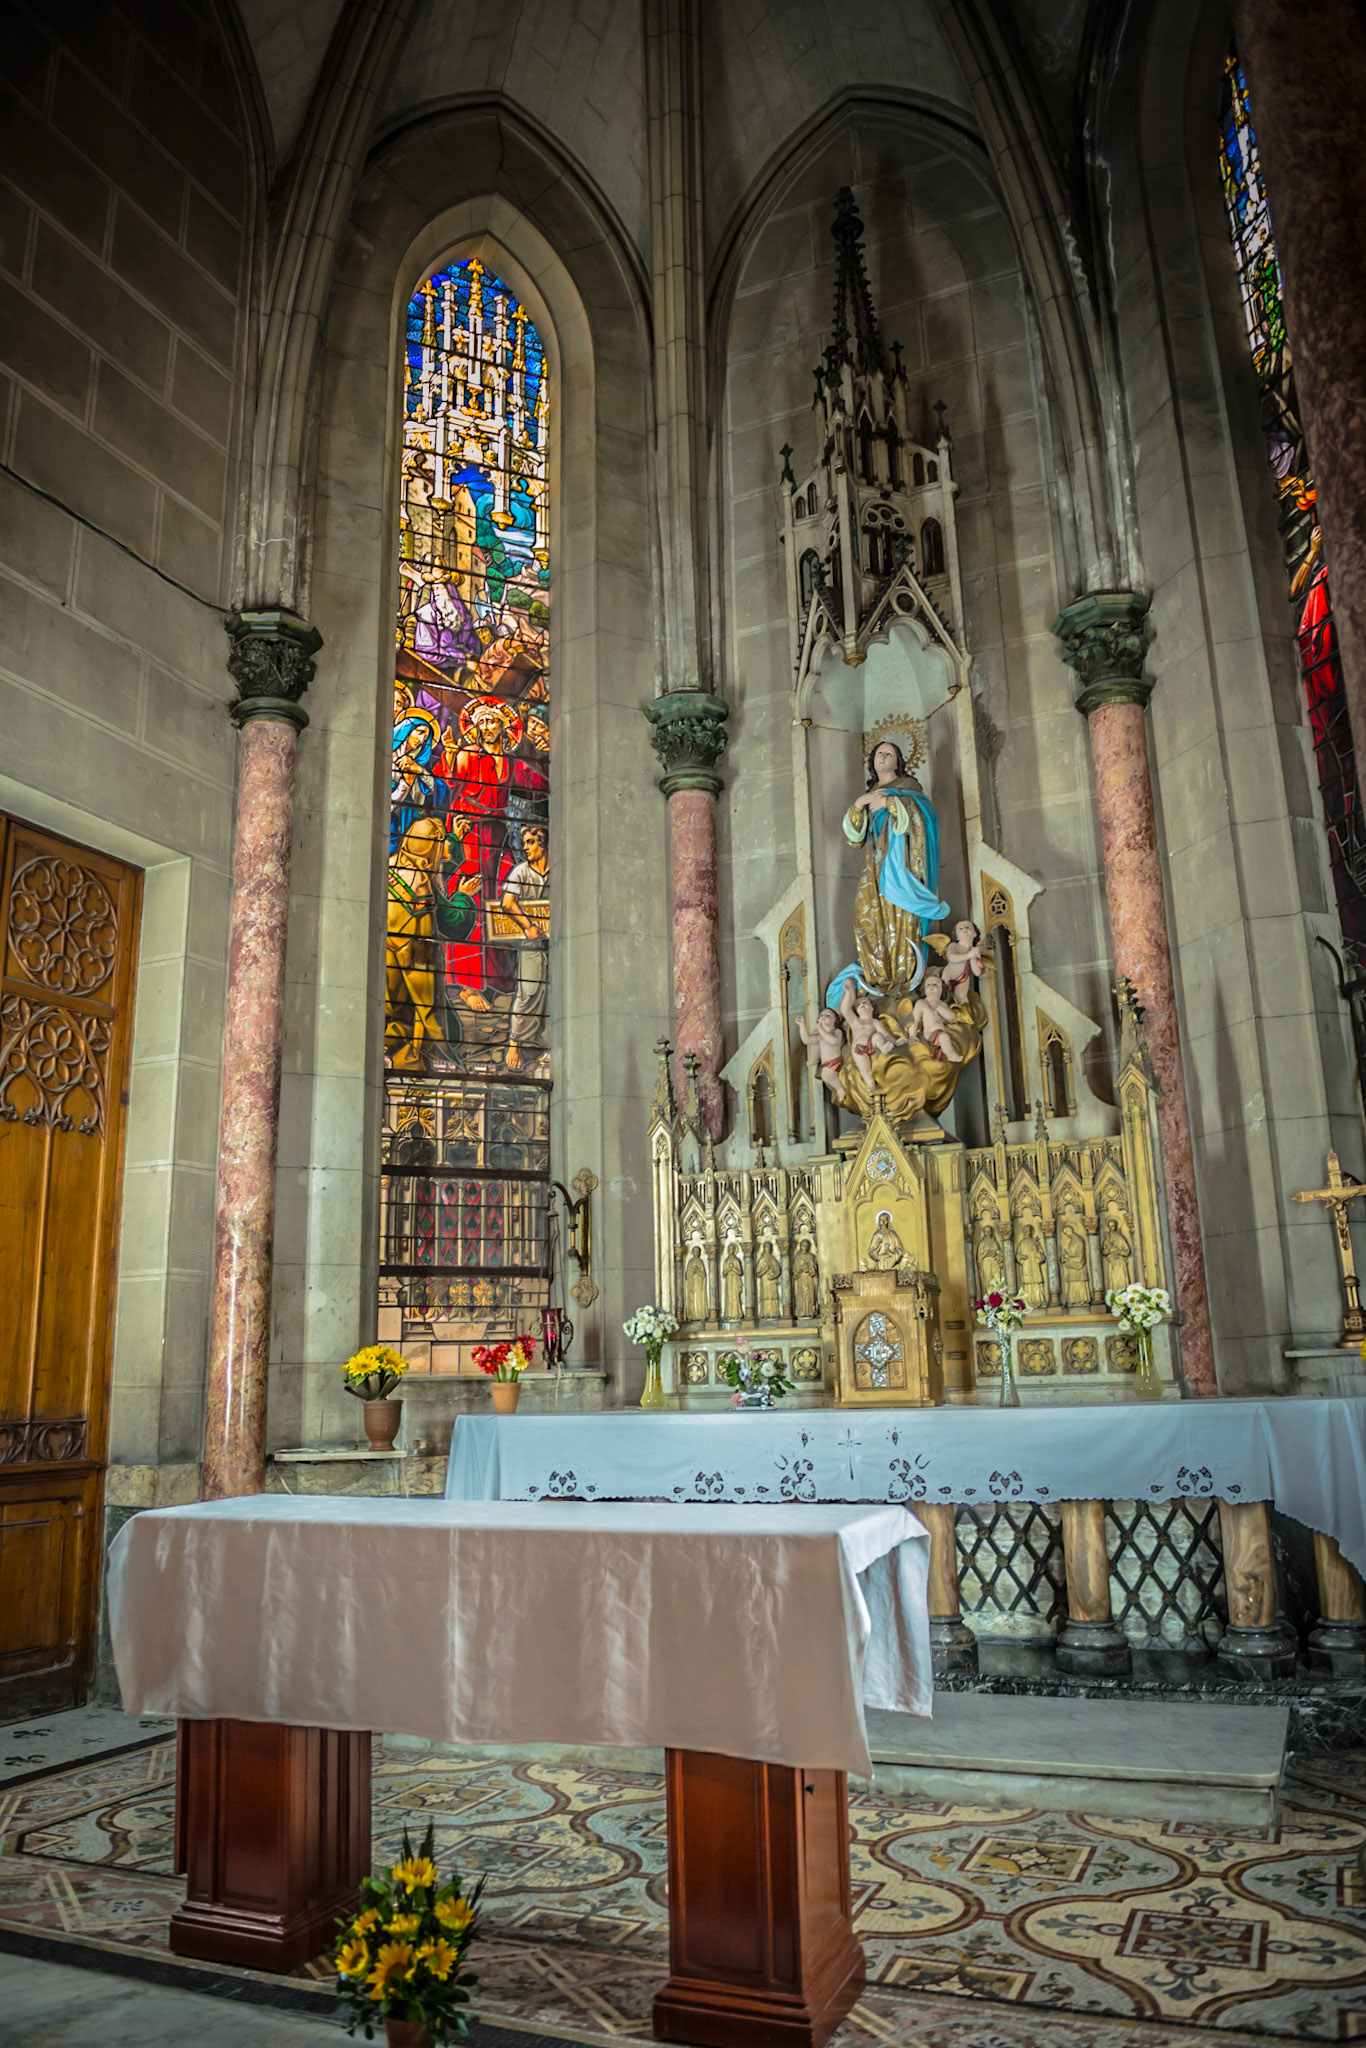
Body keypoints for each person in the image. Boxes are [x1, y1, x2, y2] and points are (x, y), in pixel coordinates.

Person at [838, 740, 950, 999]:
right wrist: (859, 803)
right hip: (874, 867)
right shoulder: (869, 794)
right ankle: (879, 979)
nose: (883, 757)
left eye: (889, 753)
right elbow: (855, 838)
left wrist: (891, 803)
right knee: (865, 917)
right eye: (879, 753)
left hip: (901, 867)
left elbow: (925, 819)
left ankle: (904, 977)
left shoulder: (908, 788)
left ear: (898, 761)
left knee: (901, 916)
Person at [385, 816, 479, 1072]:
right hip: (416, 959)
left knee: (393, 1014)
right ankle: (416, 1058)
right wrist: (464, 896)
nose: (445, 846)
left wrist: (456, 838)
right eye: (441, 841)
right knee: (430, 1018)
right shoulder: (422, 886)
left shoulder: (393, 867)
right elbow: (452, 920)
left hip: (388, 963)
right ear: (431, 849)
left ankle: (389, 1049)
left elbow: (432, 868)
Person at [499, 823, 549, 1071]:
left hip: (557, 943)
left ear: (544, 843)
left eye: (531, 842)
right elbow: (508, 903)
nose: (526, 848)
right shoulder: (520, 871)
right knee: (528, 989)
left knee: (554, 992)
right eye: (524, 843)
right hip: (531, 942)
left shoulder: (557, 871)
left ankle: (548, 1045)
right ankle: (514, 1043)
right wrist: (528, 926)